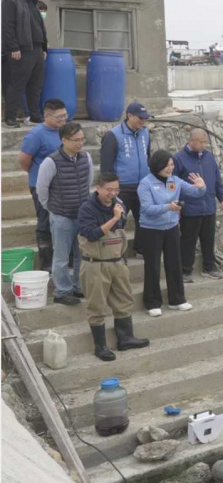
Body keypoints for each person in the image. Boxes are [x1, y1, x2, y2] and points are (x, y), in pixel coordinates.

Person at [78, 173, 150, 361]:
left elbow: (121, 225)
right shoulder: (87, 208)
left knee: (124, 300)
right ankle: (100, 347)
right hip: (95, 264)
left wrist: (118, 215)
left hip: (116, 262)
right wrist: (114, 218)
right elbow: (91, 234)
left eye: (116, 189)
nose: (113, 193)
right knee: (97, 306)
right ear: (99, 188)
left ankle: (125, 339)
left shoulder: (119, 204)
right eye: (109, 189)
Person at [138, 150, 206, 317]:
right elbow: (147, 209)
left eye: (172, 165)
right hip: (151, 229)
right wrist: (168, 207)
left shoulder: (174, 180)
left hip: (172, 227)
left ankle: (177, 300)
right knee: (153, 265)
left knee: (174, 263)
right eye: (167, 165)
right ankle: (152, 302)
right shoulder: (146, 184)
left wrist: (201, 185)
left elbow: (196, 193)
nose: (170, 168)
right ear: (157, 165)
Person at [36, 122, 92, 306]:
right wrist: (52, 209)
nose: (80, 143)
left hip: (82, 215)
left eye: (82, 139)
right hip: (61, 216)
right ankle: (62, 291)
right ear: (64, 140)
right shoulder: (51, 162)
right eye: (75, 140)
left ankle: (78, 286)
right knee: (60, 257)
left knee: (80, 254)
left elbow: (88, 182)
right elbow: (41, 190)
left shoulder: (86, 157)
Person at [172, 128, 223, 283]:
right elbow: (174, 184)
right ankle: (185, 271)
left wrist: (222, 197)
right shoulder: (178, 159)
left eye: (206, 141)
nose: (205, 144)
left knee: (208, 239)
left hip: (209, 206)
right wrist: (178, 204)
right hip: (190, 208)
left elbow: (217, 180)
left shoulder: (209, 157)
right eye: (202, 142)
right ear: (192, 141)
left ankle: (209, 267)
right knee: (188, 240)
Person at [18, 97, 66, 271]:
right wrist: (38, 175)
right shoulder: (36, 135)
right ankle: (46, 262)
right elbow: (24, 160)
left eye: (64, 116)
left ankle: (63, 258)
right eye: (58, 117)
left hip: (63, 186)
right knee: (45, 222)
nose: (62, 120)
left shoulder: (65, 131)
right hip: (42, 186)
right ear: (46, 116)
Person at [100, 102, 151, 259]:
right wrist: (110, 190)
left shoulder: (146, 133)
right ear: (129, 116)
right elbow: (106, 167)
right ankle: (115, 252)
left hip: (143, 184)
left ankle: (141, 249)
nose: (143, 121)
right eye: (140, 118)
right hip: (122, 187)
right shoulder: (113, 135)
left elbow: (147, 157)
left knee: (144, 219)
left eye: (145, 118)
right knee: (117, 220)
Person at [1, 0, 47, 128]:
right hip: (22, 49)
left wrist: (44, 48)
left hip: (37, 48)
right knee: (17, 84)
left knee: (36, 85)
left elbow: (40, 27)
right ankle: (10, 117)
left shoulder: (33, 4)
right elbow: (7, 25)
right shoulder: (11, 2)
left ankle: (35, 116)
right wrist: (14, 47)